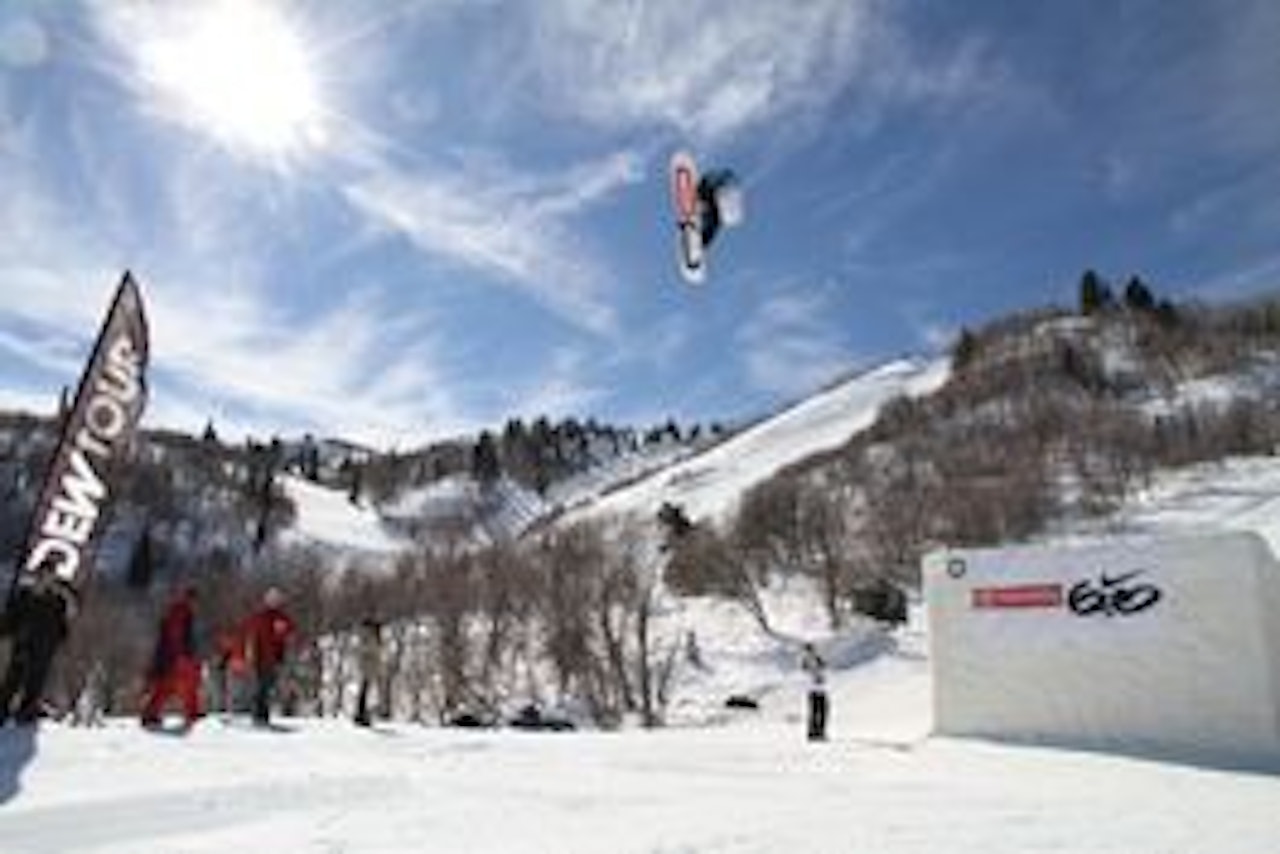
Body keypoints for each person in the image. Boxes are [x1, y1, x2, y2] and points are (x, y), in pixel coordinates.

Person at [0, 569, 76, 726]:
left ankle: (25, 715)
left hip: (44, 646)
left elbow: (64, 623)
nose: (45, 580)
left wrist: (60, 639)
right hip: (24, 642)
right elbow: (11, 617)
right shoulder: (24, 595)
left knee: (35, 682)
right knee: (13, 679)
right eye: (42, 576)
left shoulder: (58, 600)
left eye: (49, 577)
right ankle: (3, 711)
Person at [141, 585, 202, 730]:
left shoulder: (180, 610)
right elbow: (176, 634)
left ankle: (151, 714)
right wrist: (181, 654)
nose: (196, 605)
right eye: (194, 601)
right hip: (175, 656)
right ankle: (190, 713)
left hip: (172, 655)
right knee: (180, 685)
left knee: (169, 686)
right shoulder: (181, 611)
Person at [244, 587, 295, 727]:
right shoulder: (260, 617)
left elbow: (289, 634)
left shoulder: (282, 618)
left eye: (277, 600)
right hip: (260, 657)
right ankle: (259, 716)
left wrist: (287, 646)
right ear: (266, 601)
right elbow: (251, 635)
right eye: (272, 600)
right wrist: (250, 653)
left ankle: (262, 716)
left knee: (268, 688)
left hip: (275, 659)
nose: (274, 602)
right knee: (261, 687)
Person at [353, 617, 383, 727]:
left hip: (369, 667)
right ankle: (361, 714)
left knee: (366, 691)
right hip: (367, 667)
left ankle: (362, 714)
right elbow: (368, 651)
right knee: (365, 691)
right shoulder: (368, 637)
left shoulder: (366, 637)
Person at [800, 642, 828, 742]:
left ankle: (816, 732)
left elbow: (822, 669)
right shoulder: (808, 660)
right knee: (818, 711)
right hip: (815, 689)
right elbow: (810, 671)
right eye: (811, 649)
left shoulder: (815, 659)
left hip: (817, 689)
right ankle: (816, 732)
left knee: (817, 711)